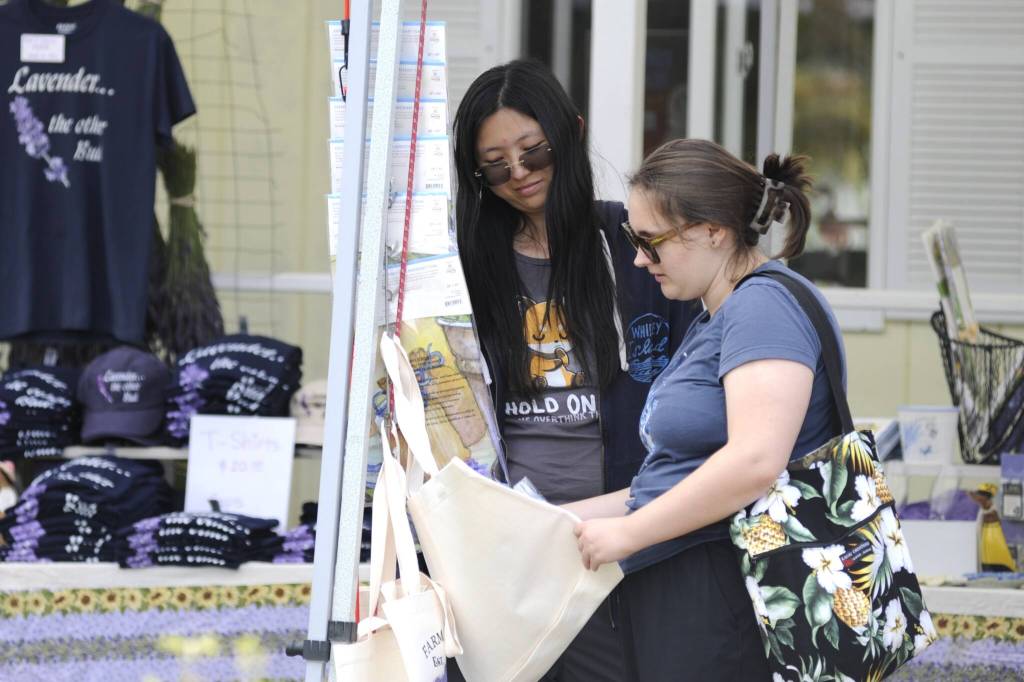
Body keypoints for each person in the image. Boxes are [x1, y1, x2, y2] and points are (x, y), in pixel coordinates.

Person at [452, 60, 700, 681]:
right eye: (495, 164)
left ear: (573, 133)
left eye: (534, 153)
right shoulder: (464, 266)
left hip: (617, 543)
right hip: (503, 547)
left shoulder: (634, 242)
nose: (519, 175)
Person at [570, 138, 845, 681]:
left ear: (713, 230)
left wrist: (630, 533)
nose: (638, 258)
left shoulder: (762, 309)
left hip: (726, 594)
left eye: (651, 241)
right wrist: (562, 518)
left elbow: (753, 462)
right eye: (632, 238)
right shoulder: (718, 314)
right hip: (694, 590)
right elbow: (680, 475)